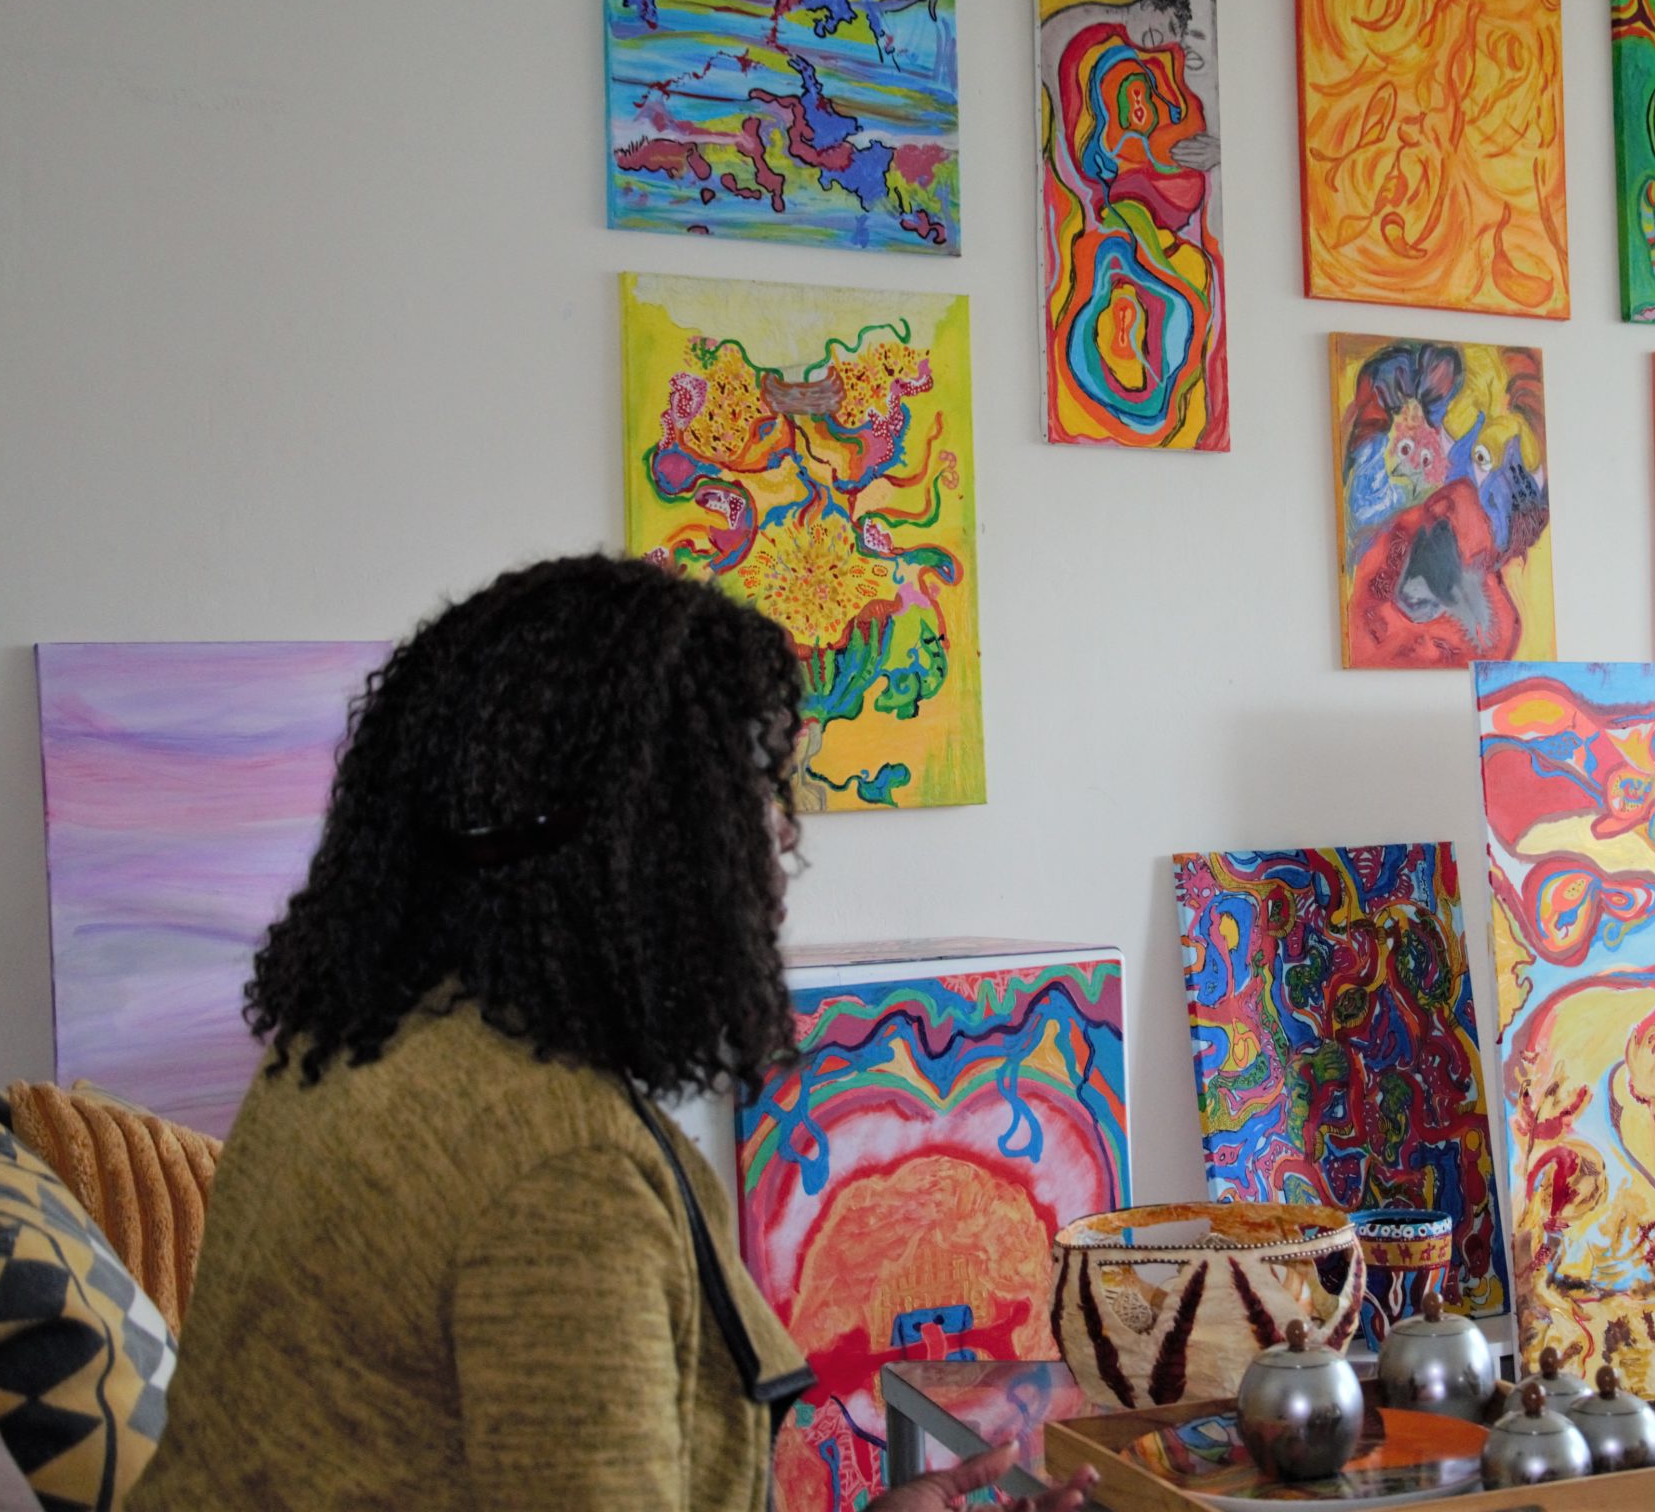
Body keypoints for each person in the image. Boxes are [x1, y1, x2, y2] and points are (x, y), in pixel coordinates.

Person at [135, 556, 1098, 1512]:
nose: (779, 834)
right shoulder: (562, 1176)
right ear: (642, 836)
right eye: (753, 790)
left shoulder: (345, 1050)